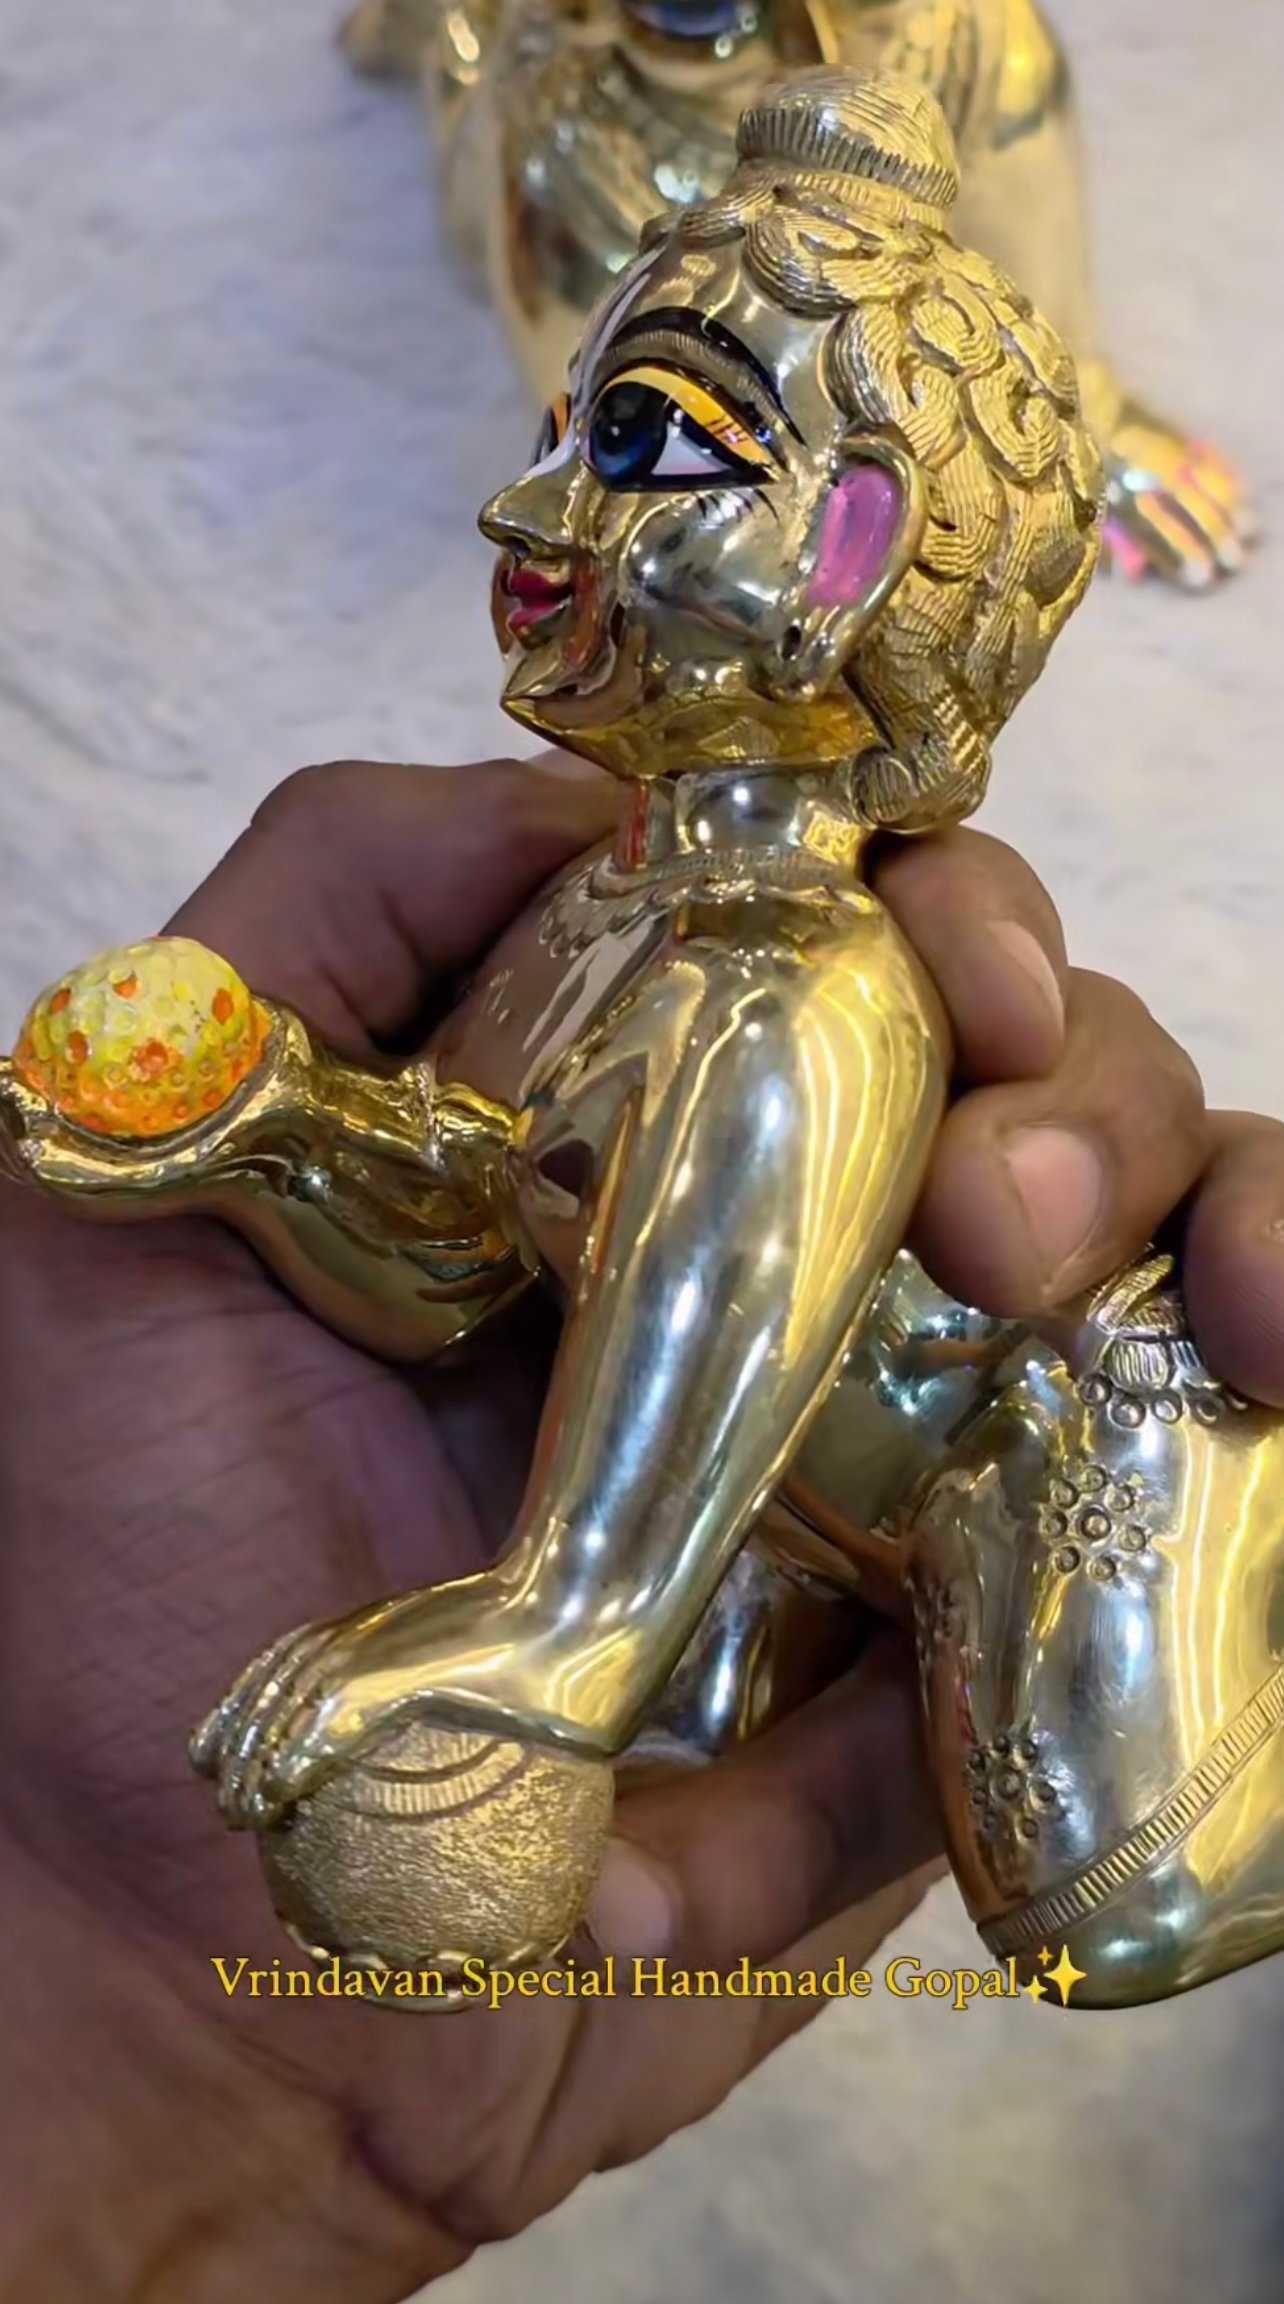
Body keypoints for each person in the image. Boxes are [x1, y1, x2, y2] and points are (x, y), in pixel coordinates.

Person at [2, 749, 1282, 2304]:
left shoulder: (787, 949)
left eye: (656, 493)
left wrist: (566, 1625)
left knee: (1126, 1895)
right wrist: (273, 1125)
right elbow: (467, 1239)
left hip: (1056, 1462)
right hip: (772, 1548)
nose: (538, 573)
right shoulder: (597, 912)